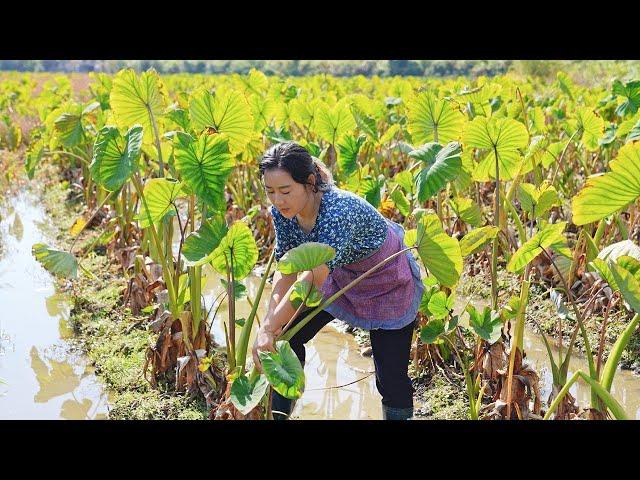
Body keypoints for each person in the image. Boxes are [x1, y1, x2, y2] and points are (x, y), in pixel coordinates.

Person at [252, 141, 424, 420]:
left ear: (309, 183)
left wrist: (269, 327)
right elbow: (287, 270)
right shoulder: (281, 213)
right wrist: (269, 327)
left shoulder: (337, 212)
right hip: (338, 274)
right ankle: (279, 416)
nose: (277, 200)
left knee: (390, 378)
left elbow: (309, 283)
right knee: (287, 337)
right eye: (270, 191)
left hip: (384, 280)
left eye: (285, 191)